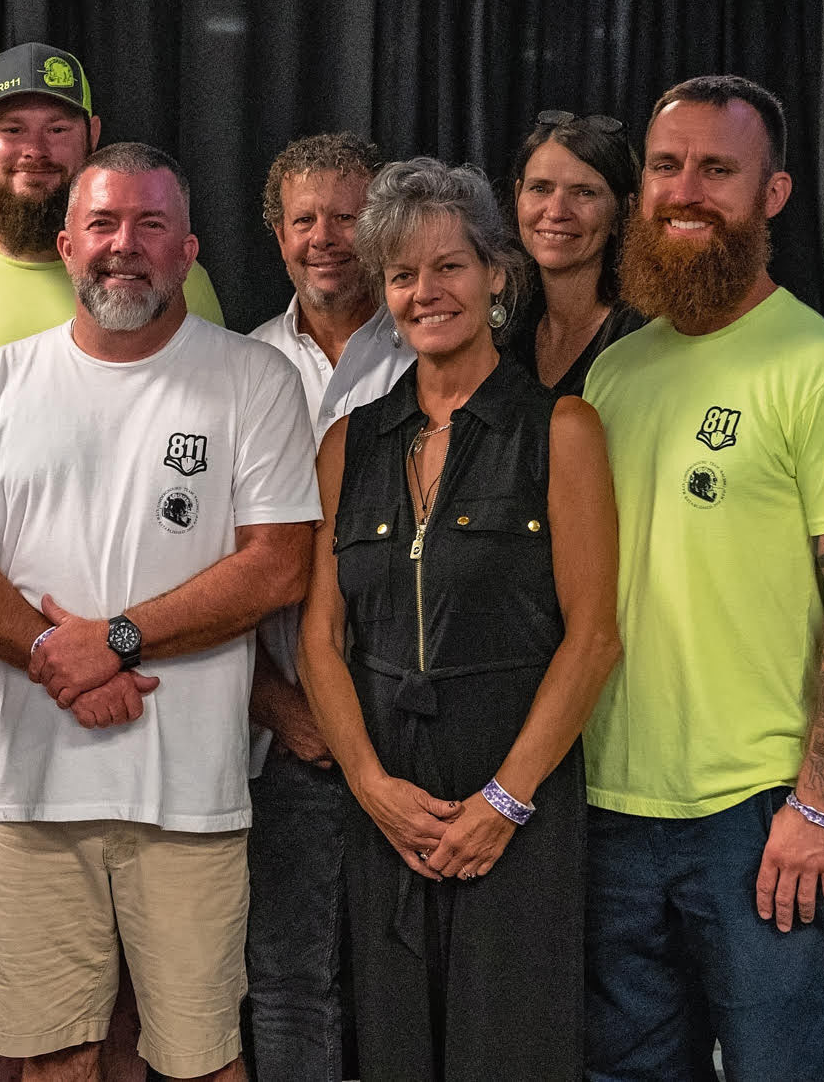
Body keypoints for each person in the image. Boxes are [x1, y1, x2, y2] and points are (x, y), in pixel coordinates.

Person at [0, 142, 320, 1081]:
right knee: (52, 1058)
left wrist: (118, 640)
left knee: (199, 1059)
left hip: (192, 793)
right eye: (102, 223)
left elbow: (278, 565)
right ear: (66, 245)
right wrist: (59, 654)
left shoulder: (252, 380)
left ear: (188, 252)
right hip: (38, 790)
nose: (123, 246)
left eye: (150, 225)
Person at [582, 75, 824, 1082]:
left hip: (758, 818)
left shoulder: (821, 369)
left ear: (772, 195)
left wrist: (820, 805)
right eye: (667, 167)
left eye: (717, 170)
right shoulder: (613, 375)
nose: (685, 191)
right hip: (607, 807)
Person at [297, 157, 621, 1080]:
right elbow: (322, 638)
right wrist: (368, 782)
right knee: (396, 1049)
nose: (426, 292)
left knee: (509, 1051)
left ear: (496, 275)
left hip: (516, 794)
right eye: (403, 274)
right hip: (388, 798)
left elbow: (593, 636)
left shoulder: (561, 428)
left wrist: (506, 801)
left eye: (449, 267)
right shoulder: (348, 442)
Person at [243, 132, 411, 1082]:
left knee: (404, 974)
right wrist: (277, 702)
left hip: (411, 730)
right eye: (304, 219)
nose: (327, 238)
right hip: (291, 732)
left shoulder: (437, 348)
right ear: (276, 237)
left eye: (348, 216)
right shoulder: (238, 369)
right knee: (289, 976)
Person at [0, 41, 224, 346]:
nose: (35, 150)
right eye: (13, 129)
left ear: (92, 136)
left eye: (57, 129)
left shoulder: (176, 278)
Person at [506, 110, 648, 395]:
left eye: (584, 193)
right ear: (518, 195)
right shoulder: (503, 326)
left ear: (625, 210)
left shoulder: (646, 336)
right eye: (540, 188)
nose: (557, 211)